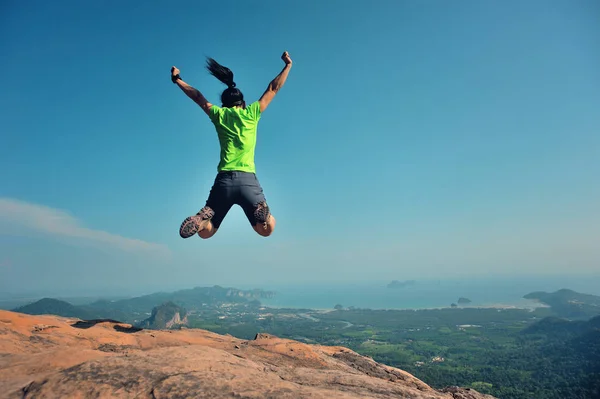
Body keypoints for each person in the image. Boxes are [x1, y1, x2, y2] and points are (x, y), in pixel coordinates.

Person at [171, 51, 293, 240]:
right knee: (266, 230)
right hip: (248, 182)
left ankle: (202, 220)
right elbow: (273, 89)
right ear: (242, 103)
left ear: (224, 104)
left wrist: (178, 79)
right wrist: (287, 66)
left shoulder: (219, 115)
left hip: (224, 182)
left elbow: (197, 96)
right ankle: (265, 216)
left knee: (206, 233)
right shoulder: (252, 113)